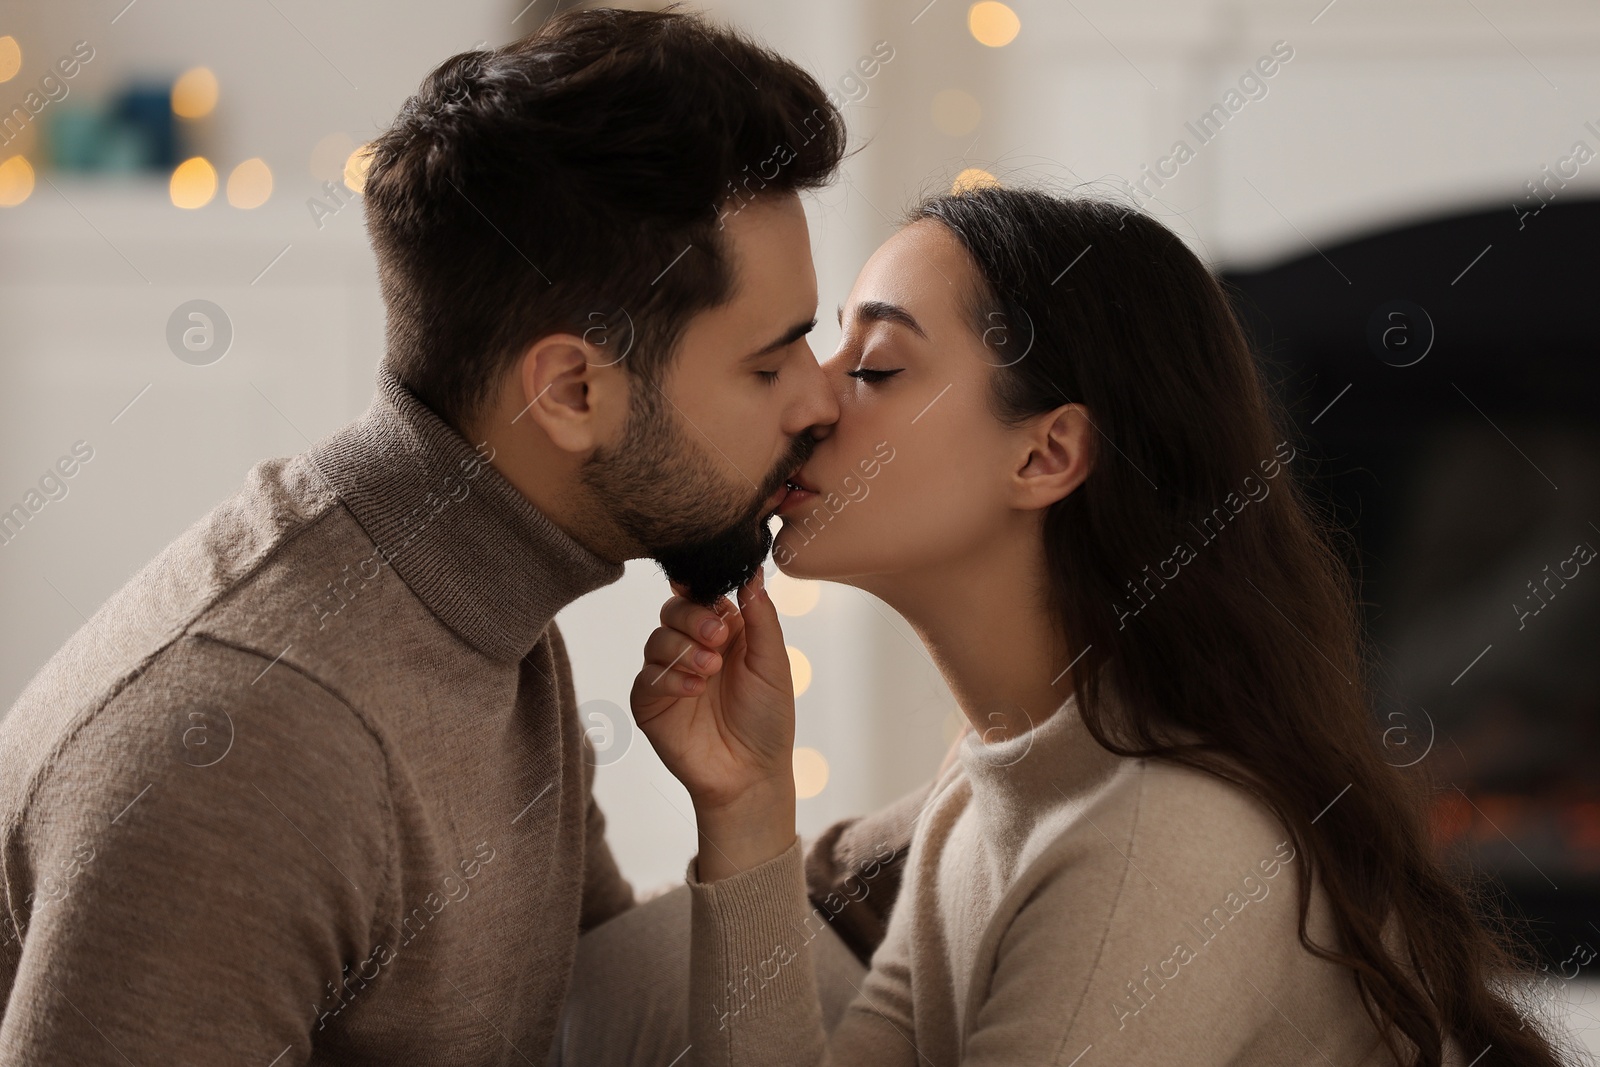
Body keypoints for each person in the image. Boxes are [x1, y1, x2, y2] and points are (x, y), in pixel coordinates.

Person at [0, 9, 922, 1064]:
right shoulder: (254, 740)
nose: (818, 400)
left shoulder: (481, 604)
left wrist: (788, 804)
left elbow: (613, 998)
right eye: (770, 361)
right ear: (573, 388)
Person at [624, 186, 1577, 1066]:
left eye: (875, 366)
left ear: (1046, 454)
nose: (815, 399)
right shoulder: (989, 788)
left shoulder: (1167, 838)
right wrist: (746, 806)